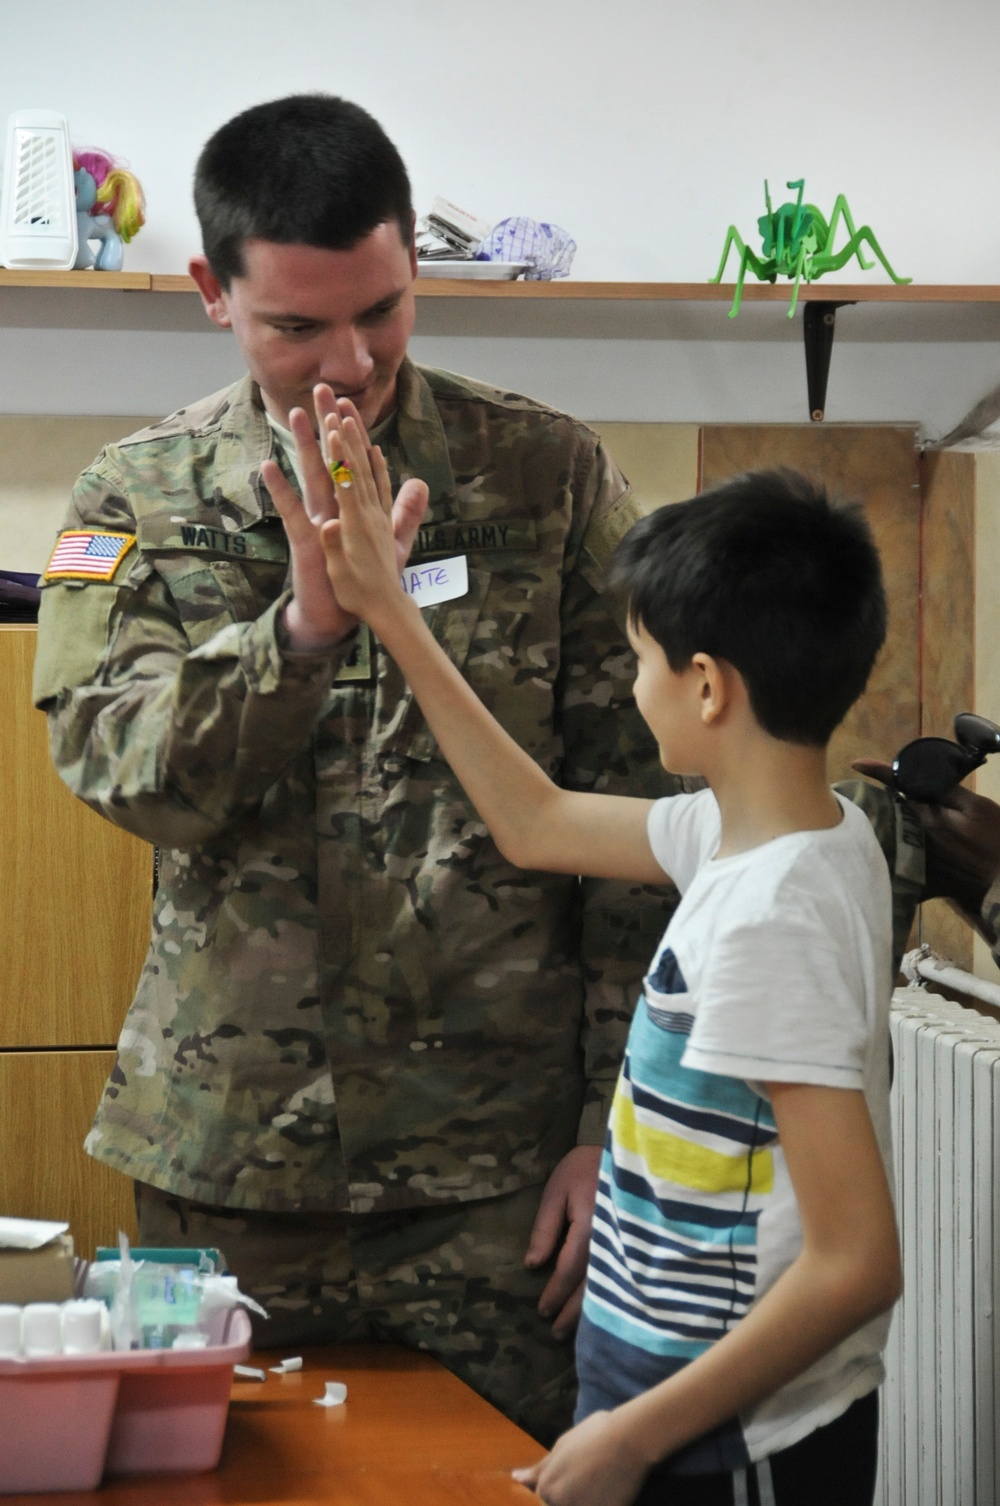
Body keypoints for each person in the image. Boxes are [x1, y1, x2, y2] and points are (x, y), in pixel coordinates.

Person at [31, 93, 677, 1442]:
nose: (351, 362)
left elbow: (647, 826)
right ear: (213, 292)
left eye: (382, 310)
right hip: (229, 1171)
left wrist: (608, 1123)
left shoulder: (544, 478)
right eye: (297, 326)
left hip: (498, 1181)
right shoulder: (135, 499)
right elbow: (120, 764)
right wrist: (304, 631)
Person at [300, 424, 900, 1505]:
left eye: (638, 662)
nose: (631, 689)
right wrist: (389, 610)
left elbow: (856, 1262)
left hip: (731, 1443)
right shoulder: (778, 835)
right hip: (676, 1410)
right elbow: (533, 821)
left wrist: (635, 1436)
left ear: (707, 688)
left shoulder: (772, 918)